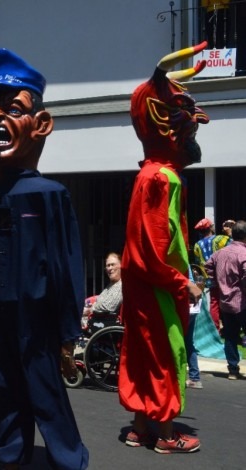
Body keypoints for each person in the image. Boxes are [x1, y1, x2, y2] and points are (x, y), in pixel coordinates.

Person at [0, 48, 88, 470]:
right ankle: (7, 455)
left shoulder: (50, 195)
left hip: (39, 318)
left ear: (41, 125)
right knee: (2, 391)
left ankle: (68, 460)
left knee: (45, 389)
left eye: (12, 109)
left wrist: (70, 327)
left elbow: (67, 262)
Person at [119, 42, 208, 453]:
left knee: (142, 354)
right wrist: (182, 283)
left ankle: (140, 426)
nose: (195, 128)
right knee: (167, 354)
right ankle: (168, 435)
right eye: (189, 124)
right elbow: (151, 251)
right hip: (156, 288)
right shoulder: (163, 179)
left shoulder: (150, 175)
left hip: (142, 289)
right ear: (167, 126)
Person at [204, 219, 246, 381]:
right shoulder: (243, 254)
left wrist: (216, 282)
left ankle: (233, 370)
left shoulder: (220, 253)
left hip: (225, 302)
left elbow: (206, 267)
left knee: (230, 337)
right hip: (242, 302)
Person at [83, 252, 123, 320]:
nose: (110, 268)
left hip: (104, 322)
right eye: (108, 265)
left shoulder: (121, 284)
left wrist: (90, 309)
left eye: (112, 265)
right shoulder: (111, 284)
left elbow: (108, 307)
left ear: (121, 266)